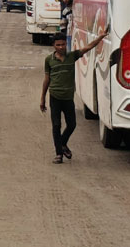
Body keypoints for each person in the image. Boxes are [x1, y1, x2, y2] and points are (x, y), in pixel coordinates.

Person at [39, 31, 103, 163]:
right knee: (56, 125)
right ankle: (59, 154)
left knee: (72, 125)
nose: (61, 47)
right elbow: (46, 79)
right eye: (58, 45)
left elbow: (88, 47)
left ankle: (62, 143)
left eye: (63, 44)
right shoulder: (49, 60)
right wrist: (42, 99)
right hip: (55, 97)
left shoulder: (72, 56)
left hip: (68, 98)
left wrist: (100, 37)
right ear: (53, 46)